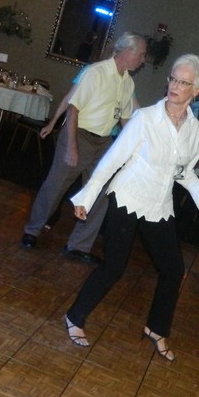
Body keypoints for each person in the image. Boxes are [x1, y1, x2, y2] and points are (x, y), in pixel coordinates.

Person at [63, 55, 199, 360]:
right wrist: (87, 197)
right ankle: (75, 316)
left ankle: (157, 328)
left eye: (183, 82)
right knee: (114, 266)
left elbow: (184, 174)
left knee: (173, 270)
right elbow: (112, 161)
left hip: (158, 204)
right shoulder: (145, 119)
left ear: (197, 90)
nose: (174, 86)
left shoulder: (194, 129)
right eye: (173, 79)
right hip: (127, 198)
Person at [21, 32, 147, 262]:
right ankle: (32, 230)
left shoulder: (128, 83)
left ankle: (78, 245)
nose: (143, 60)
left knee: (101, 193)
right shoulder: (96, 73)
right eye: (141, 54)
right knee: (55, 186)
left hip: (104, 142)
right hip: (78, 135)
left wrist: (133, 151)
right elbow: (73, 109)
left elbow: (126, 120)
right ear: (128, 51)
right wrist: (71, 146)